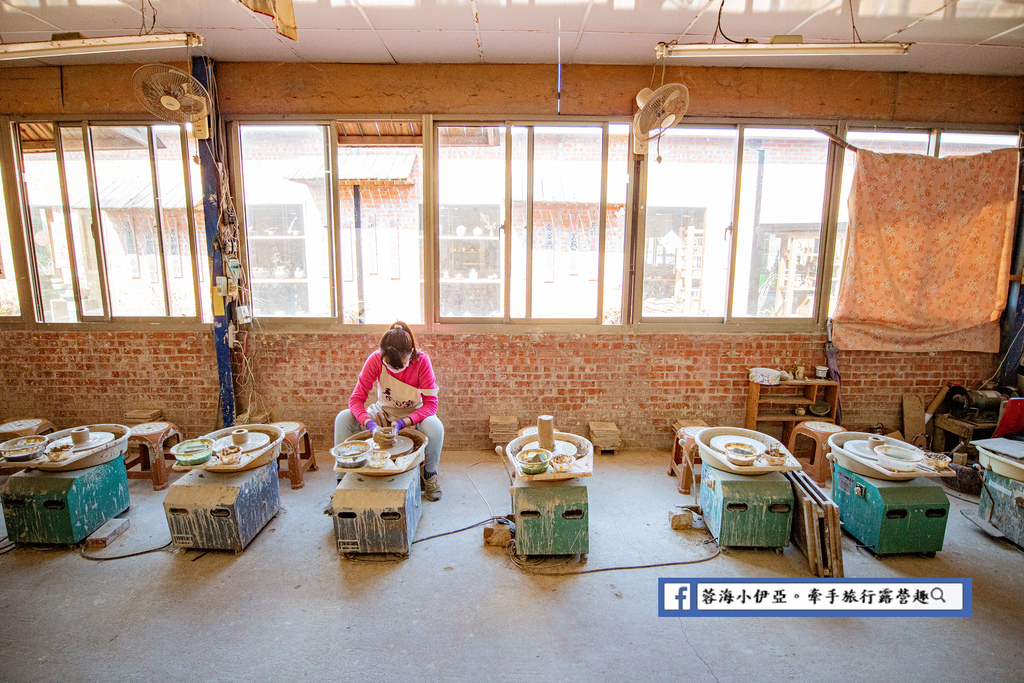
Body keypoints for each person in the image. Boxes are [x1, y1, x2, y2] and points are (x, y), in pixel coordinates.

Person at [334, 322, 445, 501]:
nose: (394, 369)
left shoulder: (422, 361)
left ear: (411, 354)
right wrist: (371, 427)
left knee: (435, 426)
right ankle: (342, 482)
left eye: (399, 366)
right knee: (343, 418)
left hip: (412, 416)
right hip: (383, 413)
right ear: (382, 355)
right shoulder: (375, 359)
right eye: (389, 365)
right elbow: (356, 400)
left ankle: (430, 476)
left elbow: (431, 404)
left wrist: (403, 423)